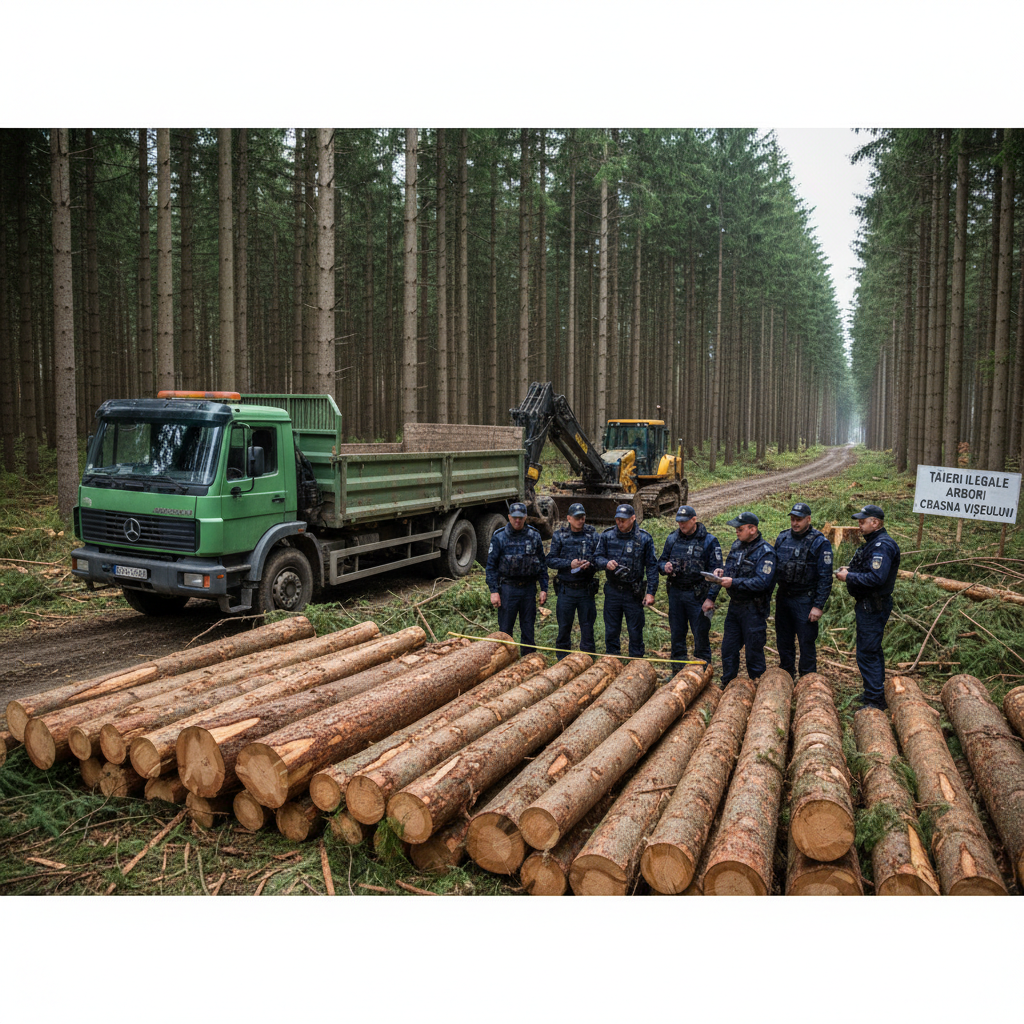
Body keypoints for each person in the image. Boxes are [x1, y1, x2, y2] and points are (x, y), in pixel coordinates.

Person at [836, 504, 901, 710]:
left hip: (873, 605)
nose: (859, 525)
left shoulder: (882, 545)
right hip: (868, 604)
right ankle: (874, 693)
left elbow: (876, 578)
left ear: (876, 522)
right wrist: (850, 569)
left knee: (868, 652)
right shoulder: (872, 543)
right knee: (871, 650)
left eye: (863, 521)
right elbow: (867, 568)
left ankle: (874, 701)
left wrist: (849, 576)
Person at [709, 511, 776, 687]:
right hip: (735, 607)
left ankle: (758, 686)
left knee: (753, 651)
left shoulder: (765, 552)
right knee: (728, 649)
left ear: (752, 529)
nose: (737, 532)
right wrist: (721, 573)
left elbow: (762, 582)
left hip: (753, 609)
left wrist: (733, 583)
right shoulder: (737, 546)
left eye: (740, 529)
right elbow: (731, 569)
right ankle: (727, 684)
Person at [658, 504, 723, 671]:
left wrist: (711, 598)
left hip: (698, 595)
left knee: (700, 634)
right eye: (679, 521)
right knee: (677, 634)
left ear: (694, 520)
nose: (681, 525)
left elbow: (718, 573)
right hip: (676, 593)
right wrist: (664, 567)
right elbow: (660, 561)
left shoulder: (709, 541)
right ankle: (677, 671)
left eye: (685, 522)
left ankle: (703, 671)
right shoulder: (672, 539)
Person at [773, 501, 833, 678]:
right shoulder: (783, 538)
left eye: (798, 519)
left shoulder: (819, 542)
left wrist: (818, 605)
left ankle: (808, 679)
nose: (795, 523)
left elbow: (825, 577)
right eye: (792, 519)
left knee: (806, 641)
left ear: (808, 519)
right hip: (783, 596)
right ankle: (786, 676)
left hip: (805, 599)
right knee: (783, 639)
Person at [593, 503, 658, 659]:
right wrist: (606, 563)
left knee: (635, 630)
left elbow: (651, 567)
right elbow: (596, 557)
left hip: (633, 592)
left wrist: (650, 593)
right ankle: (612, 659)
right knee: (611, 629)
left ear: (633, 518)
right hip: (613, 590)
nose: (620, 523)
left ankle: (635, 661)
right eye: (617, 520)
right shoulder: (607, 536)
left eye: (623, 520)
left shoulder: (644, 538)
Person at [485, 501, 549, 655]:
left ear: (525, 517)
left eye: (520, 517)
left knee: (528, 629)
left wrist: (544, 588)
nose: (517, 520)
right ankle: (504, 661)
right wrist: (494, 591)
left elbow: (542, 563)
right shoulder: (499, 537)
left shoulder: (534, 535)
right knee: (505, 630)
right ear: (509, 517)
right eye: (514, 517)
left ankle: (529, 662)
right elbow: (491, 567)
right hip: (508, 589)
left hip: (528, 589)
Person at [546, 502, 599, 659]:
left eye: (582, 517)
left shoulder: (592, 535)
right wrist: (569, 564)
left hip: (586, 590)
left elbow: (600, 558)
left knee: (588, 629)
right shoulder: (560, 536)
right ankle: (563, 662)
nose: (580, 520)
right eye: (577, 518)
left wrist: (590, 564)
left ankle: (588, 661)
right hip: (566, 590)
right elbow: (550, 560)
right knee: (564, 629)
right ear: (569, 518)